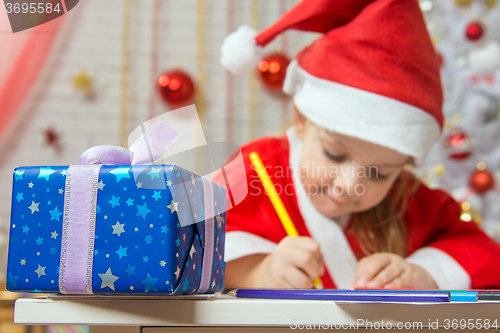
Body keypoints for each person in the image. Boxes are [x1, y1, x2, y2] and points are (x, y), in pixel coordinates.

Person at [214, 0, 500, 290]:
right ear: (301, 119)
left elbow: (482, 252)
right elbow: (187, 241)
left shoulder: (406, 199)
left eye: (380, 173)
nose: (350, 185)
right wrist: (258, 273)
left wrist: (424, 274)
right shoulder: (255, 168)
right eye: (335, 155)